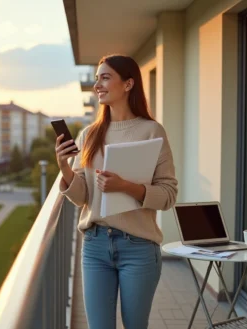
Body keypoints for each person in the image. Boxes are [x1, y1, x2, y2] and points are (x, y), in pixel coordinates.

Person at [55, 54, 178, 329]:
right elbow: (81, 197)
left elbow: (168, 195)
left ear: (128, 84)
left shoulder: (152, 131)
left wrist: (126, 187)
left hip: (139, 248)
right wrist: (64, 168)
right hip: (95, 246)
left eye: (105, 77)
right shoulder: (89, 135)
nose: (97, 84)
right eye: (97, 78)